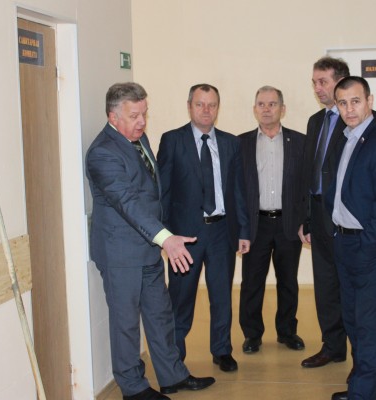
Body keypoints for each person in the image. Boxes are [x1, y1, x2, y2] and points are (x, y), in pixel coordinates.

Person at [86, 82, 215, 400]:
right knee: (126, 323)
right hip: (120, 253)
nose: (142, 122)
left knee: (160, 315)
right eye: (134, 116)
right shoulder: (102, 153)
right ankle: (133, 389)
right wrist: (166, 238)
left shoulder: (138, 139)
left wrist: (162, 237)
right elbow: (127, 202)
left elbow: (151, 193)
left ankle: (172, 375)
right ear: (113, 117)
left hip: (148, 247)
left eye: (144, 113)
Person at [157, 84, 250, 373]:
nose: (206, 110)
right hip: (185, 236)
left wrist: (243, 230)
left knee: (221, 295)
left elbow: (238, 190)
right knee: (181, 297)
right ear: (189, 106)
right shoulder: (172, 140)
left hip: (222, 232)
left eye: (212, 104)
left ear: (218, 108)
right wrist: (166, 235)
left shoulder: (231, 143)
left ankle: (222, 350)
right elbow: (163, 191)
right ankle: (175, 355)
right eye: (200, 104)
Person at [326, 76, 376, 400]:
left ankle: (360, 394)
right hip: (344, 243)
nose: (349, 109)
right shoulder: (346, 139)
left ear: (370, 101)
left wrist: (366, 248)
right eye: (342, 103)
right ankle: (375, 390)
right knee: (353, 321)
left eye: (356, 101)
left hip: (368, 247)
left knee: (367, 324)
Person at [238, 86, 306, 354]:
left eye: (272, 104)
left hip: (289, 224)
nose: (266, 109)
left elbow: (307, 187)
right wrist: (241, 227)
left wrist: (305, 221)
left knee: (288, 282)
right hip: (256, 225)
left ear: (283, 109)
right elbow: (237, 190)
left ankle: (287, 331)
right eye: (261, 104)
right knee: (252, 283)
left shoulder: (300, 142)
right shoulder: (241, 143)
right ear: (254, 109)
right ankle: (252, 334)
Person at [299, 56, 350, 368]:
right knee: (325, 284)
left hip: (344, 216)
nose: (317, 88)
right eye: (314, 82)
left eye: (323, 82)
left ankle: (359, 350)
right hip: (318, 214)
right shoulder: (315, 121)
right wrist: (306, 218)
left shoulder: (353, 119)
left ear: (339, 82)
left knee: (349, 284)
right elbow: (310, 172)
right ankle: (332, 346)